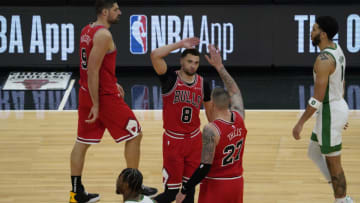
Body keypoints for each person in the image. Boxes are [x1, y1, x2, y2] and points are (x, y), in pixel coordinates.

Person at [69, 1, 156, 202]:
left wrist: (112, 81)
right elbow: (92, 69)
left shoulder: (86, 30)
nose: (120, 12)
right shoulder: (104, 35)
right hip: (104, 97)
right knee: (135, 134)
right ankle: (134, 186)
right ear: (105, 11)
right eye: (116, 9)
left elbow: (97, 67)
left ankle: (76, 193)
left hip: (86, 92)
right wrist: (97, 103)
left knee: (81, 143)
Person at [292, 16, 353, 203]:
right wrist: (341, 110)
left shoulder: (324, 60)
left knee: (334, 163)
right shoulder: (337, 49)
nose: (311, 32)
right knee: (314, 152)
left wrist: (300, 124)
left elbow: (316, 99)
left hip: (330, 112)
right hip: (336, 108)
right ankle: (338, 190)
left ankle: (342, 199)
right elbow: (341, 82)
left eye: (314, 29)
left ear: (323, 34)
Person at [175, 44, 247, 203]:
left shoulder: (211, 130)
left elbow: (204, 166)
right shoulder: (239, 117)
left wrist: (185, 189)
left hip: (216, 184)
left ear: (212, 104)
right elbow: (235, 91)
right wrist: (220, 67)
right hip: (236, 182)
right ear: (229, 102)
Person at [150, 37, 213, 203]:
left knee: (189, 192)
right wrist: (179, 44)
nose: (193, 65)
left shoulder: (203, 83)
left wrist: (215, 134)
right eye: (189, 61)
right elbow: (155, 55)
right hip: (174, 140)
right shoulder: (169, 78)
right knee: (171, 194)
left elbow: (210, 112)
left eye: (196, 62)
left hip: (194, 140)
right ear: (181, 62)